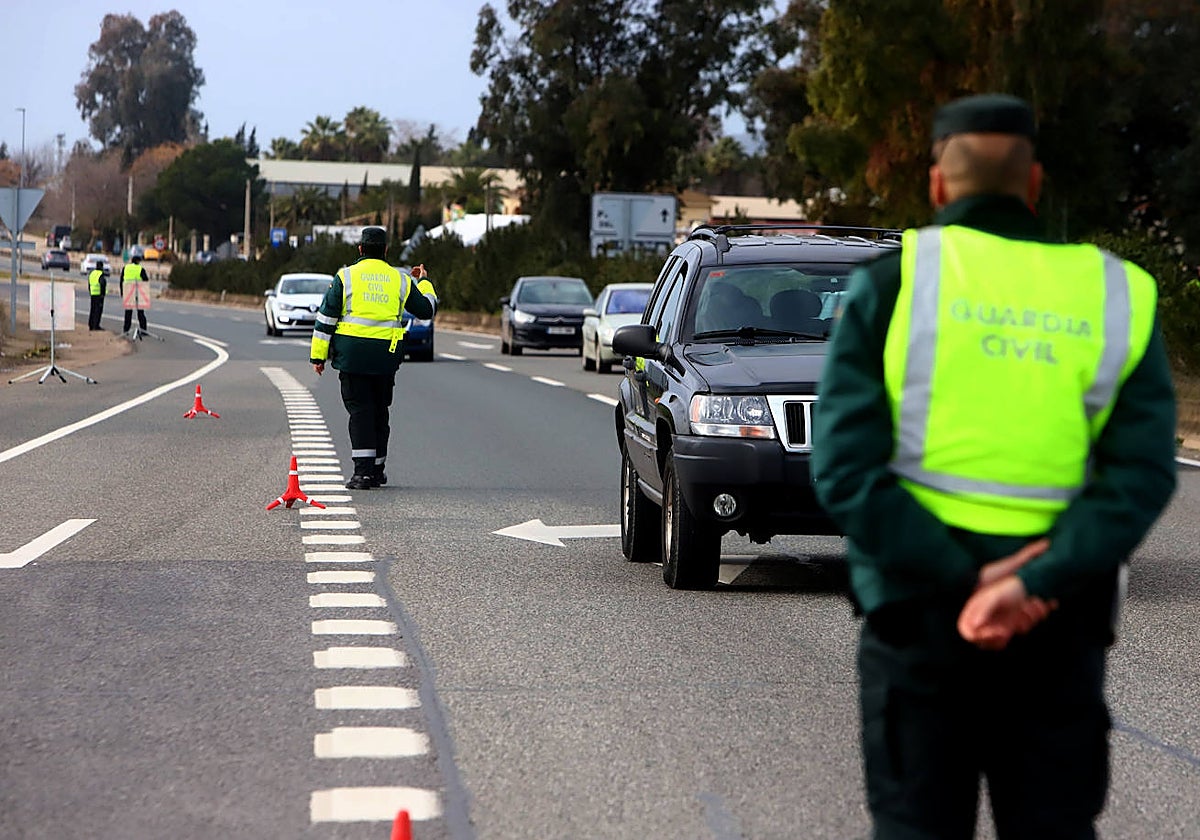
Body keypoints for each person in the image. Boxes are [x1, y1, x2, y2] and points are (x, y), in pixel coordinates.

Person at [812, 93, 1177, 839]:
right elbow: (1140, 476)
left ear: (937, 184)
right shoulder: (1117, 293)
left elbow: (845, 469)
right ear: (1034, 182)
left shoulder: (892, 284)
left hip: (919, 622)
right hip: (1057, 622)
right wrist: (1027, 586)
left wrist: (964, 580)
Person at [310, 226, 437, 489]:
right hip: (385, 357)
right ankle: (377, 470)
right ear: (386, 250)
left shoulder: (345, 277)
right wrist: (424, 282)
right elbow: (426, 310)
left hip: (352, 356)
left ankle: (362, 473)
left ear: (360, 249)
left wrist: (318, 357)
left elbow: (326, 319)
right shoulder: (400, 279)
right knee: (380, 411)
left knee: (360, 412)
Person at [121, 254, 149, 336]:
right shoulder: (140, 269)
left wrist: (122, 292)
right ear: (137, 261)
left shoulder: (125, 268)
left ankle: (126, 330)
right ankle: (143, 330)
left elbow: (121, 280)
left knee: (128, 312)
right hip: (138, 292)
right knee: (140, 312)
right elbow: (146, 280)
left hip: (128, 292)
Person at [87, 262, 109, 331]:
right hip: (99, 294)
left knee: (92, 310)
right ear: (101, 267)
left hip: (93, 293)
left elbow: (89, 284)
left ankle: (91, 325)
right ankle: (96, 326)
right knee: (98, 311)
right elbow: (102, 284)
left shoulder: (92, 273)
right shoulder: (100, 274)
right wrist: (102, 294)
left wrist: (90, 291)